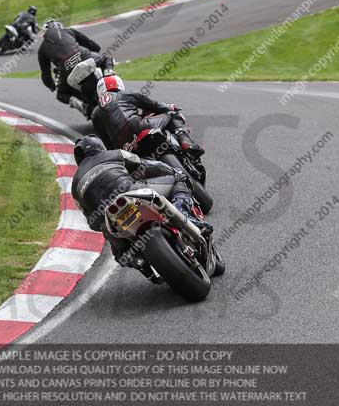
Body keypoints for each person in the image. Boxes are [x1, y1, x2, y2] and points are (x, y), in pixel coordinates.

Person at [71, 135, 212, 267]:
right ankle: (184, 214)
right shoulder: (115, 153)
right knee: (178, 179)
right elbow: (145, 165)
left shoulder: (74, 185)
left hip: (106, 217)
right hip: (129, 192)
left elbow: (90, 220)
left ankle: (135, 260)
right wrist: (170, 170)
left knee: (118, 248)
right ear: (100, 146)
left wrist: (103, 223)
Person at [92, 74, 204, 159]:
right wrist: (170, 106)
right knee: (172, 114)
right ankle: (186, 141)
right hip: (138, 125)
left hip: (122, 146)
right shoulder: (127, 94)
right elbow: (156, 106)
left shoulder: (95, 114)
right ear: (119, 84)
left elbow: (106, 142)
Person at [38, 20, 113, 113]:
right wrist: (96, 49)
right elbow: (89, 43)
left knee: (61, 95)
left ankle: (82, 105)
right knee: (106, 58)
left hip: (66, 70)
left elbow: (45, 73)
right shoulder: (68, 31)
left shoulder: (41, 50)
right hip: (84, 56)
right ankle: (110, 81)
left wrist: (51, 86)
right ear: (59, 26)